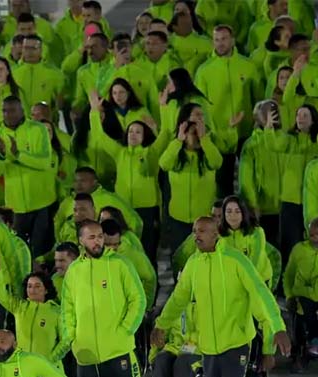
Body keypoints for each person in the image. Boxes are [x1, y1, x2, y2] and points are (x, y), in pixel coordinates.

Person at [153, 217, 290, 377]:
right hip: (208, 346)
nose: (197, 235)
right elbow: (178, 299)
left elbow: (261, 295)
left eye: (202, 231)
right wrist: (161, 324)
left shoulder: (236, 261)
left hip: (236, 342)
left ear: (217, 233)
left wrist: (277, 328)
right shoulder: (194, 264)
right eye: (195, 231)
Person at [60, 220, 156, 377]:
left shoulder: (120, 265)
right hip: (86, 353)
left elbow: (138, 300)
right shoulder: (74, 272)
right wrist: (72, 338)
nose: (97, 241)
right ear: (81, 240)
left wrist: (125, 331)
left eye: (100, 236)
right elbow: (67, 309)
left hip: (118, 350)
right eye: (91, 237)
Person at [87, 96, 169, 264]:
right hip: (124, 209)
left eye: (138, 131)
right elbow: (99, 136)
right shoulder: (120, 153)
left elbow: (166, 133)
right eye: (131, 130)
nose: (133, 134)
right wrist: (94, 111)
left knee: (147, 251)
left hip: (147, 208)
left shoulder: (151, 153)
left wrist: (163, 107)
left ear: (145, 136)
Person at [194, 25, 262, 195]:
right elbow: (200, 104)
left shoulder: (248, 66)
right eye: (216, 40)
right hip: (220, 135)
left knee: (251, 178)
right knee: (223, 182)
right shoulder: (204, 71)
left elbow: (259, 98)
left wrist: (257, 123)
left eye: (224, 39)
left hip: (246, 133)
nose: (220, 43)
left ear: (232, 40)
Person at [0, 96, 57, 257]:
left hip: (42, 202)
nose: (8, 114)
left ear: (22, 111)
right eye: (4, 110)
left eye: (12, 110)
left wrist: (18, 154)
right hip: (15, 206)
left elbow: (45, 162)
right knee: (19, 251)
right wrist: (2, 156)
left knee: (40, 252)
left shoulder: (38, 129)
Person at [159, 104, 223, 253]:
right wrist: (178, 141)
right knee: (179, 258)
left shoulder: (208, 148)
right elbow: (163, 164)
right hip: (178, 218)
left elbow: (217, 162)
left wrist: (204, 139)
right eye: (192, 133)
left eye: (202, 115)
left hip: (204, 219)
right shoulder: (175, 151)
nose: (195, 136)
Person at [265, 104, 318, 262]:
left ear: (313, 120)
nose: (300, 118)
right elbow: (274, 145)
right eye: (298, 115)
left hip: (312, 203)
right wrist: (269, 128)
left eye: (305, 115)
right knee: (289, 245)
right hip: (290, 201)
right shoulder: (290, 140)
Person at [283, 218, 318, 362]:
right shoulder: (300, 249)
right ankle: (305, 348)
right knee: (303, 312)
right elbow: (288, 275)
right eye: (311, 235)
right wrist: (289, 296)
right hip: (303, 294)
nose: (315, 238)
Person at [239, 100, 285, 244]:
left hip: (286, 208)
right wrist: (252, 205)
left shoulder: (286, 141)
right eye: (267, 113)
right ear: (258, 118)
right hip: (263, 210)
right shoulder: (251, 145)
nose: (272, 116)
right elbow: (246, 180)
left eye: (274, 112)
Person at [102, 218, 158, 306]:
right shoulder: (89, 256)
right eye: (107, 244)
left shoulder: (131, 255)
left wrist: (146, 306)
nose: (112, 249)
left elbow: (150, 278)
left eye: (116, 244)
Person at [218, 195, 272, 285]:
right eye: (229, 211)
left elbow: (256, 261)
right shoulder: (218, 233)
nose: (233, 216)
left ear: (244, 212)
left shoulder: (257, 232)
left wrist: (242, 281)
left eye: (237, 211)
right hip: (230, 281)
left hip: (257, 279)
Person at [12, 35, 66, 110]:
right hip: (18, 118)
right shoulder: (12, 72)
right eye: (26, 48)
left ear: (40, 50)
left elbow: (60, 103)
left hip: (44, 119)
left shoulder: (55, 73)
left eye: (33, 48)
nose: (29, 52)